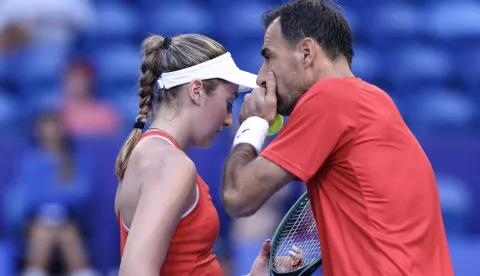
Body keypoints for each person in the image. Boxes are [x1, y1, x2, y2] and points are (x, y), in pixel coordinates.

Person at [221, 1, 454, 276]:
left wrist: (253, 124)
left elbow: (238, 196)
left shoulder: (330, 97)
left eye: (269, 56)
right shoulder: (374, 100)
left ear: (306, 53)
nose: (261, 77)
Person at [114, 34, 298, 276]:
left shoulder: (152, 155)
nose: (228, 120)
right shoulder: (170, 164)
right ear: (197, 90)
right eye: (228, 103)